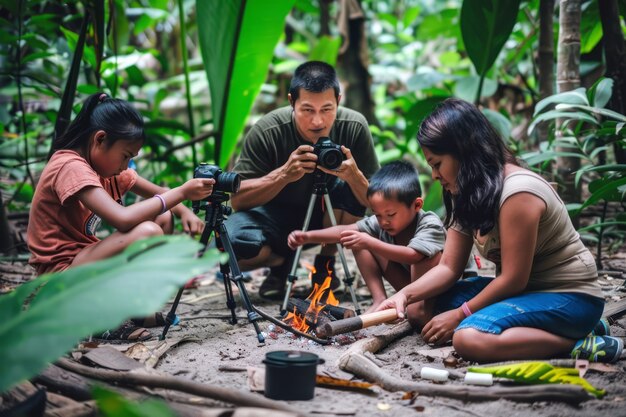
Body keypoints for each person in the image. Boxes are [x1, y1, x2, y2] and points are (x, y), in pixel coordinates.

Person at [375, 98, 623, 364]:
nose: (434, 175)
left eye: (437, 164)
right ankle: (559, 333)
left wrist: (460, 315)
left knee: (468, 338)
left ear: (464, 152)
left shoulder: (518, 192)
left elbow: (515, 278)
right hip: (524, 295)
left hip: (569, 297)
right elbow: (448, 267)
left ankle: (577, 342)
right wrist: (404, 295)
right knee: (419, 310)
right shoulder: (467, 191)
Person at [27, 92, 215, 340]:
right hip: (58, 279)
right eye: (125, 156)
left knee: (164, 218)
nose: (126, 166)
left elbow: (159, 193)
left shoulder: (103, 167)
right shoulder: (70, 166)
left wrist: (182, 208)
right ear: (100, 139)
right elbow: (122, 218)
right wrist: (181, 192)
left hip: (82, 264)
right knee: (148, 232)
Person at [225, 61, 380, 300]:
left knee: (350, 186)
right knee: (232, 247)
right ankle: (282, 263)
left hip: (326, 218)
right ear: (291, 102)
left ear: (339, 100)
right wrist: (282, 175)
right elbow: (238, 200)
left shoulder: (354, 126)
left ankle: (325, 264)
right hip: (273, 218)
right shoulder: (269, 130)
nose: (318, 121)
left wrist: (353, 175)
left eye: (327, 109)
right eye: (307, 110)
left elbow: (377, 203)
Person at [288, 160, 445, 313]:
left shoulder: (429, 223)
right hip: (407, 289)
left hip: (439, 291)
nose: (383, 221)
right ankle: (379, 299)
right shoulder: (382, 222)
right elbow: (345, 230)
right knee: (358, 237)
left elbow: (413, 256)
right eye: (377, 215)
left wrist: (370, 243)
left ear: (417, 205)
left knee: (425, 256)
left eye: (391, 214)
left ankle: (422, 309)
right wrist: (307, 236)